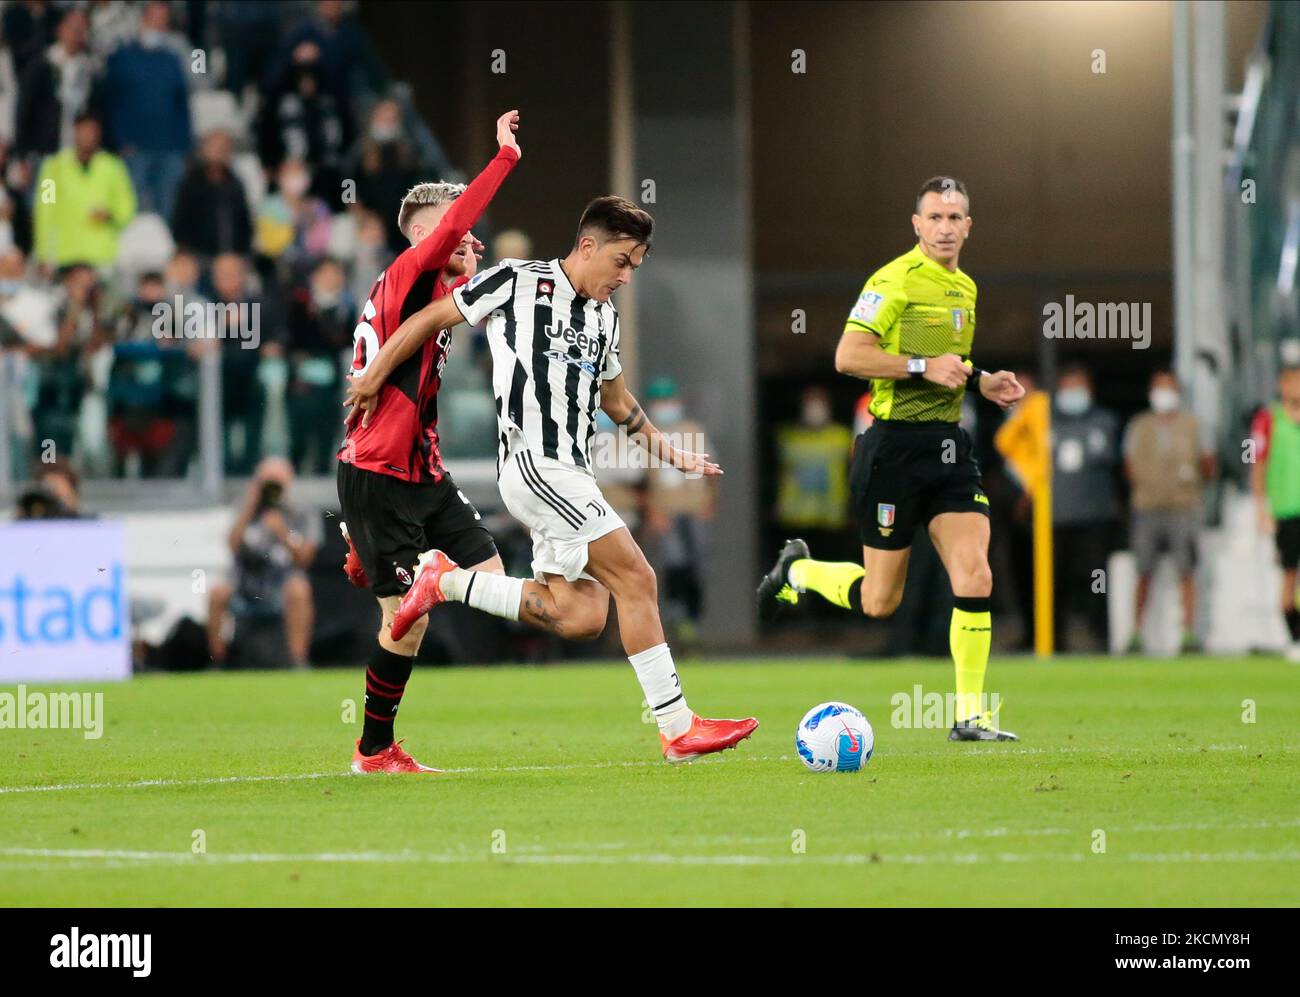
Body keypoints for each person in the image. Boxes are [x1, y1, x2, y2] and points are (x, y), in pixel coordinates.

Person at [346, 195, 759, 765]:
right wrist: (373, 373)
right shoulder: (515, 281)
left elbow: (616, 400)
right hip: (536, 465)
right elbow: (427, 318)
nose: (624, 276)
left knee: (581, 616)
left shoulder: (604, 318)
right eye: (620, 261)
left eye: (634, 266)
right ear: (587, 245)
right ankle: (677, 726)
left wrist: (670, 453)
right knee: (637, 577)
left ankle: (443, 580)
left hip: (573, 471)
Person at [755, 176, 1025, 741]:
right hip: (892, 452)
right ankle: (798, 571)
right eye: (936, 218)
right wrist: (927, 368)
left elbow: (948, 362)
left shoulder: (966, 288)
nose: (946, 227)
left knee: (975, 574)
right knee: (880, 601)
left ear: (968, 226)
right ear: (917, 225)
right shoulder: (894, 279)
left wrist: (983, 380)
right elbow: (849, 356)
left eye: (955, 218)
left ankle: (970, 717)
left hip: (950, 450)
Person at [333, 110, 522, 774]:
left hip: (422, 471)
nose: (470, 239)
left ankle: (422, 573)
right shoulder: (412, 270)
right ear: (426, 235)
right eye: (459, 232)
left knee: (494, 582)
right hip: (380, 471)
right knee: (405, 622)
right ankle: (372, 749)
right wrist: (503, 158)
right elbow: (454, 221)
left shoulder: (439, 292)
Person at [1124, 369, 1212, 653]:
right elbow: (1128, 466)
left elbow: (1208, 464)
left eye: (1169, 387)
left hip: (1183, 506)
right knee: (1143, 571)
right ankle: (1135, 633)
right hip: (1147, 506)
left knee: (1186, 570)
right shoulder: (1139, 424)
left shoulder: (1193, 424)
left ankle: (1188, 633)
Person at [209, 457, 320, 669]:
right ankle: (218, 661)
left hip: (281, 586)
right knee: (217, 591)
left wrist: (282, 532)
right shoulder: (245, 508)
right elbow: (232, 546)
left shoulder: (300, 511)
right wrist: (250, 507)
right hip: (246, 584)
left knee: (299, 588)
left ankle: (298, 661)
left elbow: (306, 559)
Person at [1050, 363, 1122, 651]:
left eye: (1078, 387)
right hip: (1056, 518)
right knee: (1056, 582)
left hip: (1094, 518)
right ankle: (1054, 639)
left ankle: (1099, 635)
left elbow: (1114, 463)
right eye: (1068, 387)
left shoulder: (1104, 422)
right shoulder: (1045, 421)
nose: (1073, 394)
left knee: (1096, 579)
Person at [1250, 366, 1300, 662]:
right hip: (1286, 511)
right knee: (1288, 578)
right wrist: (1261, 507)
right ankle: (1295, 637)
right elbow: (1258, 464)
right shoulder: (1269, 419)